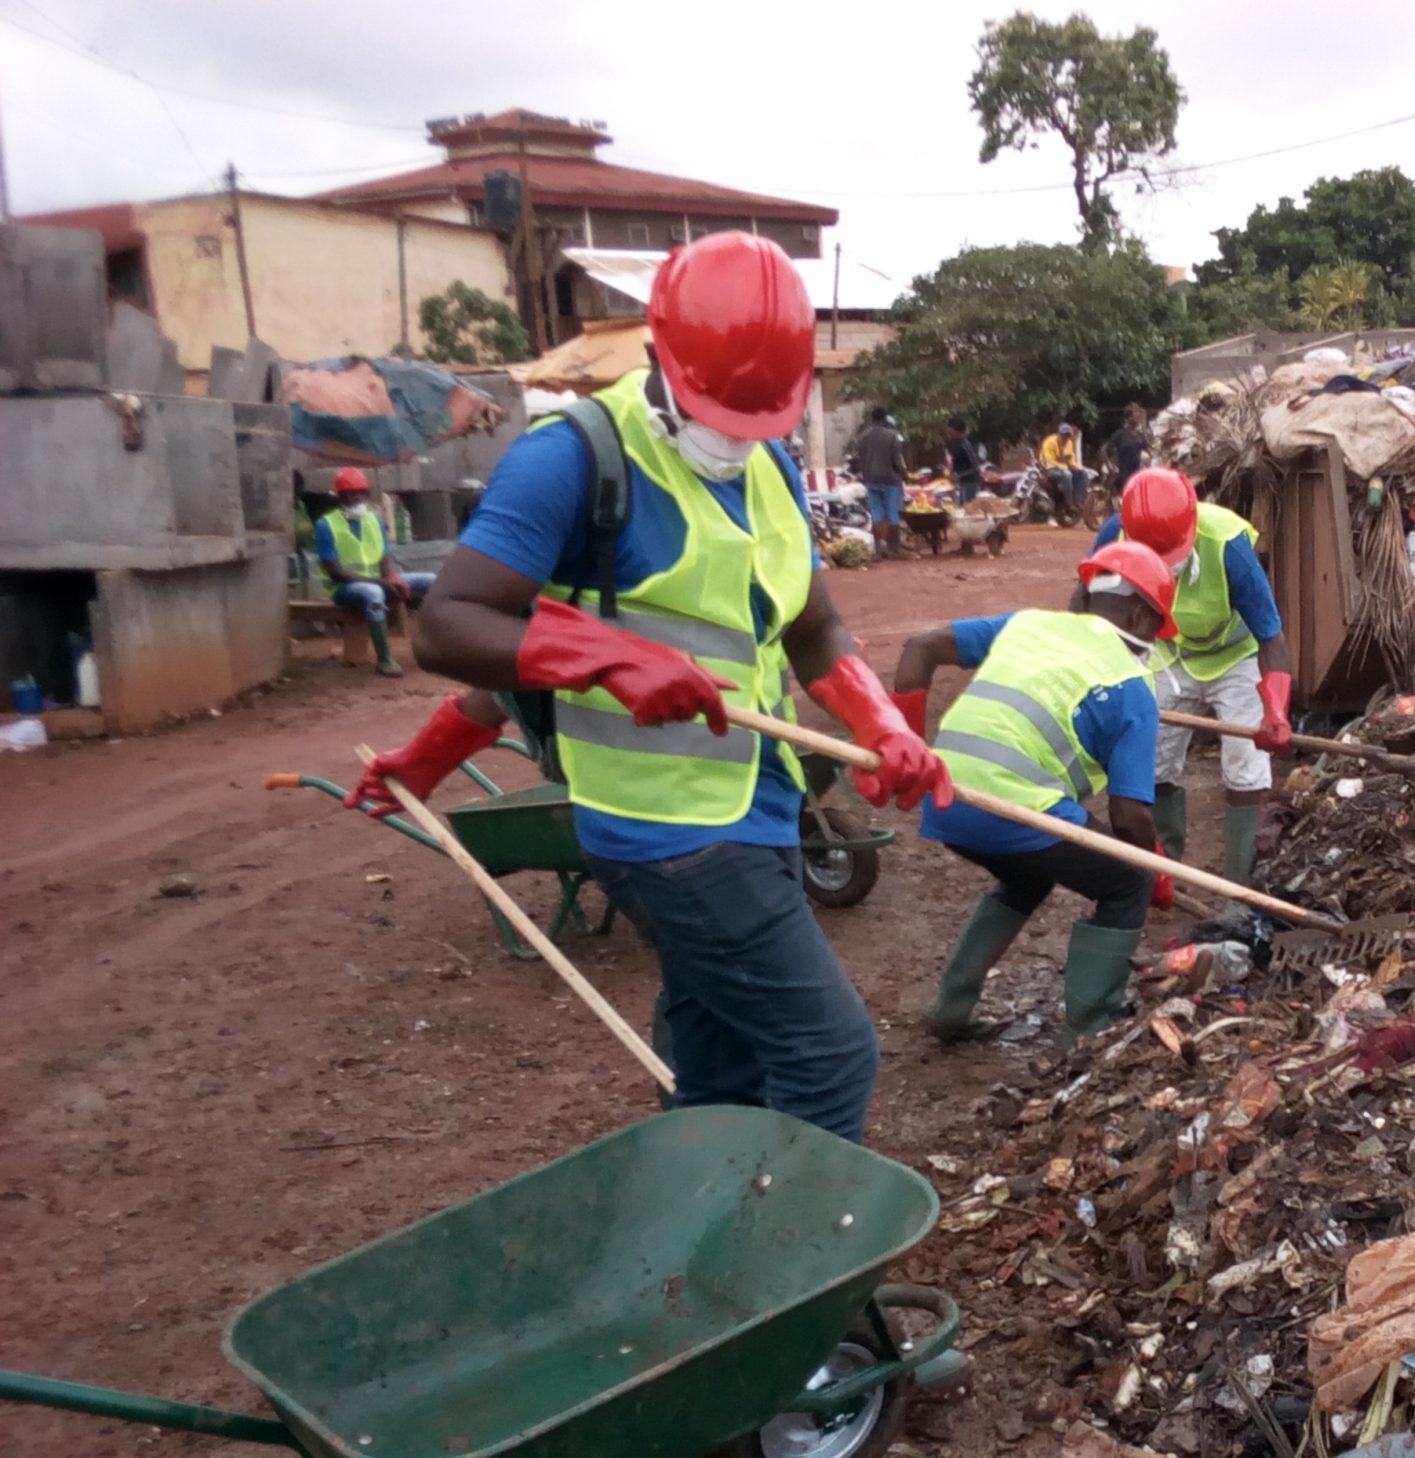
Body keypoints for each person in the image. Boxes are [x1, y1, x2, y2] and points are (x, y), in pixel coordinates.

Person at [358, 230, 947, 1146]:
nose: (738, 437)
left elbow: (813, 628)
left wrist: (878, 724)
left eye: (761, 419)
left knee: (722, 1055)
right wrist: (609, 660)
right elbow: (448, 623)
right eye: (723, 412)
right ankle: (794, 1263)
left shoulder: (773, 468)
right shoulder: (573, 461)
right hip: (663, 832)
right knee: (828, 1054)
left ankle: (700, 1228)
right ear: (659, 356)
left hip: (756, 803)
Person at [893, 540, 1175, 1044]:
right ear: (1139, 615)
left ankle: (951, 1009)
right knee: (1124, 883)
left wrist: (907, 752)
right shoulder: (1133, 685)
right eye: (1158, 625)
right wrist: (1155, 871)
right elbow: (1129, 816)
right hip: (1012, 807)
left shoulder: (1028, 623)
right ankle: (1089, 1033)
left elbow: (920, 646)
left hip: (947, 795)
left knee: (1026, 878)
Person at [1094, 467, 1292, 885]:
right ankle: (1164, 869)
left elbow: (1271, 637)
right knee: (1153, 760)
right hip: (1168, 651)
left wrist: (1275, 710)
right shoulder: (1116, 535)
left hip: (1234, 655)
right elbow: (1088, 611)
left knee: (1245, 763)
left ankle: (1240, 883)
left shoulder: (1227, 544)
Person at [314, 468, 434, 677]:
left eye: (359, 493)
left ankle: (436, 645)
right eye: (348, 494)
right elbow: (335, 572)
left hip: (377, 582)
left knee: (431, 581)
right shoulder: (326, 525)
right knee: (373, 594)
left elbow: (383, 559)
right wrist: (381, 583)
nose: (355, 498)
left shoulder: (374, 521)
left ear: (366, 494)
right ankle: (385, 659)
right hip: (343, 589)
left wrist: (393, 580)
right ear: (339, 497)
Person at [855, 406, 908, 558]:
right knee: (893, 516)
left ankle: (878, 550)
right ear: (885, 419)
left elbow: (860, 460)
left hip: (871, 481)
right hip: (890, 480)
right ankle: (894, 549)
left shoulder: (863, 438)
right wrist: (904, 474)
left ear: (872, 419)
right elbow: (897, 461)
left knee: (877, 516)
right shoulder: (892, 436)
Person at [1103, 402, 1149, 506]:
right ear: (1128, 418)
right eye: (1135, 416)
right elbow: (1106, 450)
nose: (1137, 419)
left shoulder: (1140, 436)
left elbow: (1147, 450)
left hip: (1137, 472)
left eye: (1138, 416)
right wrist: (1110, 466)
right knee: (1125, 498)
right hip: (1123, 472)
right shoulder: (1119, 435)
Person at [1038, 418, 1086, 517]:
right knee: (1067, 475)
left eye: (1068, 435)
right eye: (1064, 435)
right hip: (1048, 468)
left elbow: (1070, 458)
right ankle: (1070, 503)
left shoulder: (1069, 443)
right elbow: (1049, 460)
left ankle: (1078, 500)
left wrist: (1074, 466)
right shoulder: (1049, 442)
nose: (1065, 437)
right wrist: (1064, 467)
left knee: (1082, 473)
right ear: (1059, 434)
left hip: (1062, 468)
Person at [943, 418, 985, 505]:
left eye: (950, 432)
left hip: (970, 482)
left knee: (968, 507)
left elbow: (975, 467)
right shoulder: (956, 443)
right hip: (962, 482)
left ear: (958, 432)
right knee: (961, 506)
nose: (948, 434)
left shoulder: (966, 445)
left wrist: (959, 475)